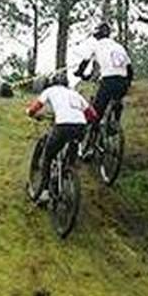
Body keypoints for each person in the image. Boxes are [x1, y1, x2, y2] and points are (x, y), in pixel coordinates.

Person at [25, 74, 96, 204]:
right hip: (80, 127)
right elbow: (92, 114)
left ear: (53, 83)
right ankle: (67, 176)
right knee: (70, 157)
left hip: (63, 126)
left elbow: (37, 106)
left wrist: (30, 112)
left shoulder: (50, 90)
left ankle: (45, 191)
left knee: (48, 155)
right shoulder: (75, 94)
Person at [75, 23, 133, 154]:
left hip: (108, 81)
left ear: (98, 35)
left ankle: (90, 146)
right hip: (122, 81)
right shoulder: (119, 46)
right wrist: (128, 82)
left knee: (95, 114)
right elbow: (129, 67)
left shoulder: (97, 45)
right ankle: (114, 124)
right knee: (117, 100)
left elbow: (85, 62)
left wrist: (79, 73)